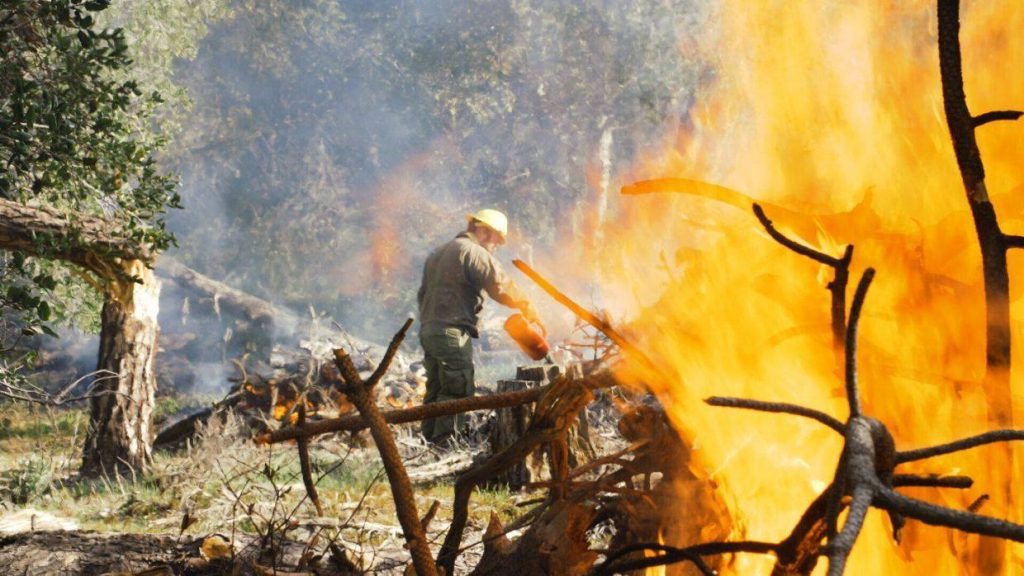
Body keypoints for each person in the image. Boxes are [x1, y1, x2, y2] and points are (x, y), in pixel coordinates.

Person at [417, 209, 543, 444]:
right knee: (458, 390)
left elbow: (422, 294)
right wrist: (526, 304)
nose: (497, 245)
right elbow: (500, 285)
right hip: (452, 332)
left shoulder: (438, 253)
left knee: (435, 390)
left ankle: (429, 443)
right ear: (484, 231)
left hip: (430, 330)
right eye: (497, 239)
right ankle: (447, 444)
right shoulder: (472, 251)